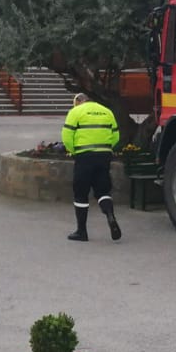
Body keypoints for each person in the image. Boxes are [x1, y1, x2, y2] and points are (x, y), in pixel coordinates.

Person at [63, 93, 122, 242]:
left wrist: (73, 151)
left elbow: (67, 135)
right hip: (104, 156)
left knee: (81, 193)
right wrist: (107, 148)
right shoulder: (107, 111)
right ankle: (110, 215)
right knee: (103, 190)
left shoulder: (75, 112)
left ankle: (81, 232)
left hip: (84, 156)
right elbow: (115, 137)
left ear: (79, 101)